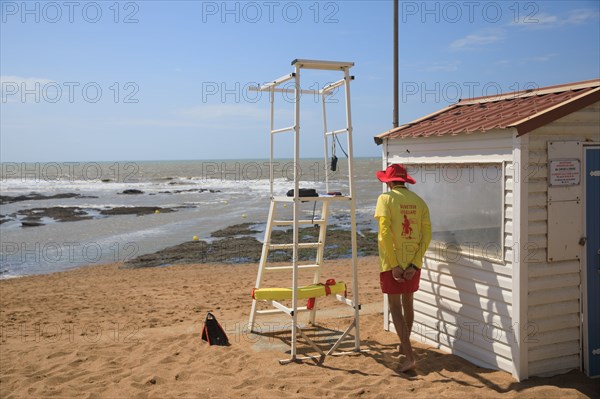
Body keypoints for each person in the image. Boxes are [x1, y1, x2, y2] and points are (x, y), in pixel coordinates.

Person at [374, 164, 431, 372]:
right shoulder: (419, 202)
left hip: (392, 261)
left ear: (388, 182)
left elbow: (384, 234)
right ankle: (403, 343)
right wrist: (414, 264)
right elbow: (427, 235)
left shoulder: (385, 199)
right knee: (408, 303)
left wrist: (394, 264)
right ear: (404, 181)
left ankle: (409, 357)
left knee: (395, 307)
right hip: (413, 261)